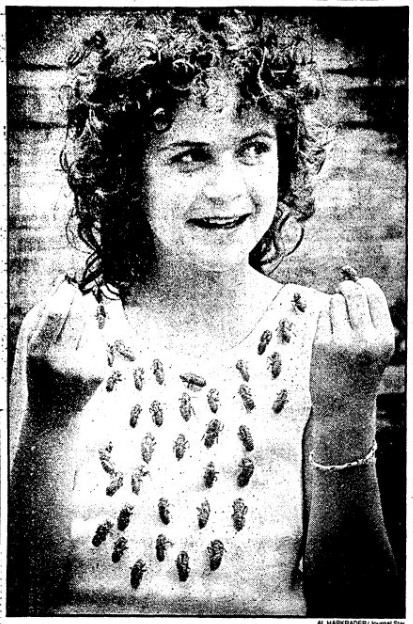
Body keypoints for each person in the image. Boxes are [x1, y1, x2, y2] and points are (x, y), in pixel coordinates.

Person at [8, 9, 399, 617]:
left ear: (285, 156)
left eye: (252, 148)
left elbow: (363, 604)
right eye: (189, 156)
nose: (226, 188)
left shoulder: (322, 337)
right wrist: (52, 420)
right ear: (128, 176)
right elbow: (21, 598)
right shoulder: (64, 337)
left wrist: (348, 405)